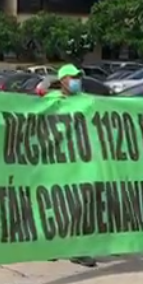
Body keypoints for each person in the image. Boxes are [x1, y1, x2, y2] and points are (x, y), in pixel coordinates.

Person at [46, 65, 98, 269]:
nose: (77, 80)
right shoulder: (50, 102)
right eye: (73, 77)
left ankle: (79, 249)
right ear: (62, 80)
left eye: (78, 77)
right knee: (55, 202)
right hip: (57, 160)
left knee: (82, 202)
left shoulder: (86, 101)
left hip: (81, 160)